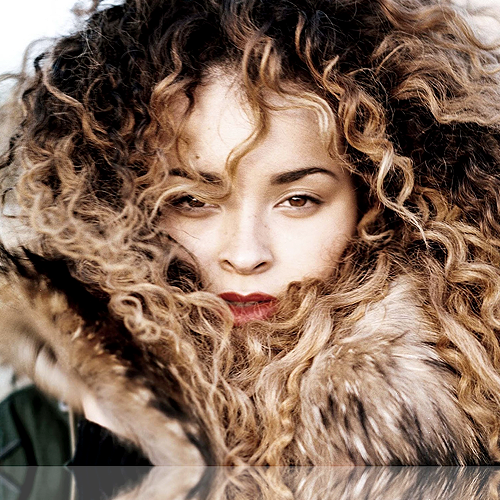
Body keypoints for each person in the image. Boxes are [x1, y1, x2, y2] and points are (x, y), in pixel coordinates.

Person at [1, 0, 500, 466]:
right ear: (115, 207)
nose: (245, 255)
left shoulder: (478, 400)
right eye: (192, 200)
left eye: (298, 200)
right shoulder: (31, 434)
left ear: (373, 198)